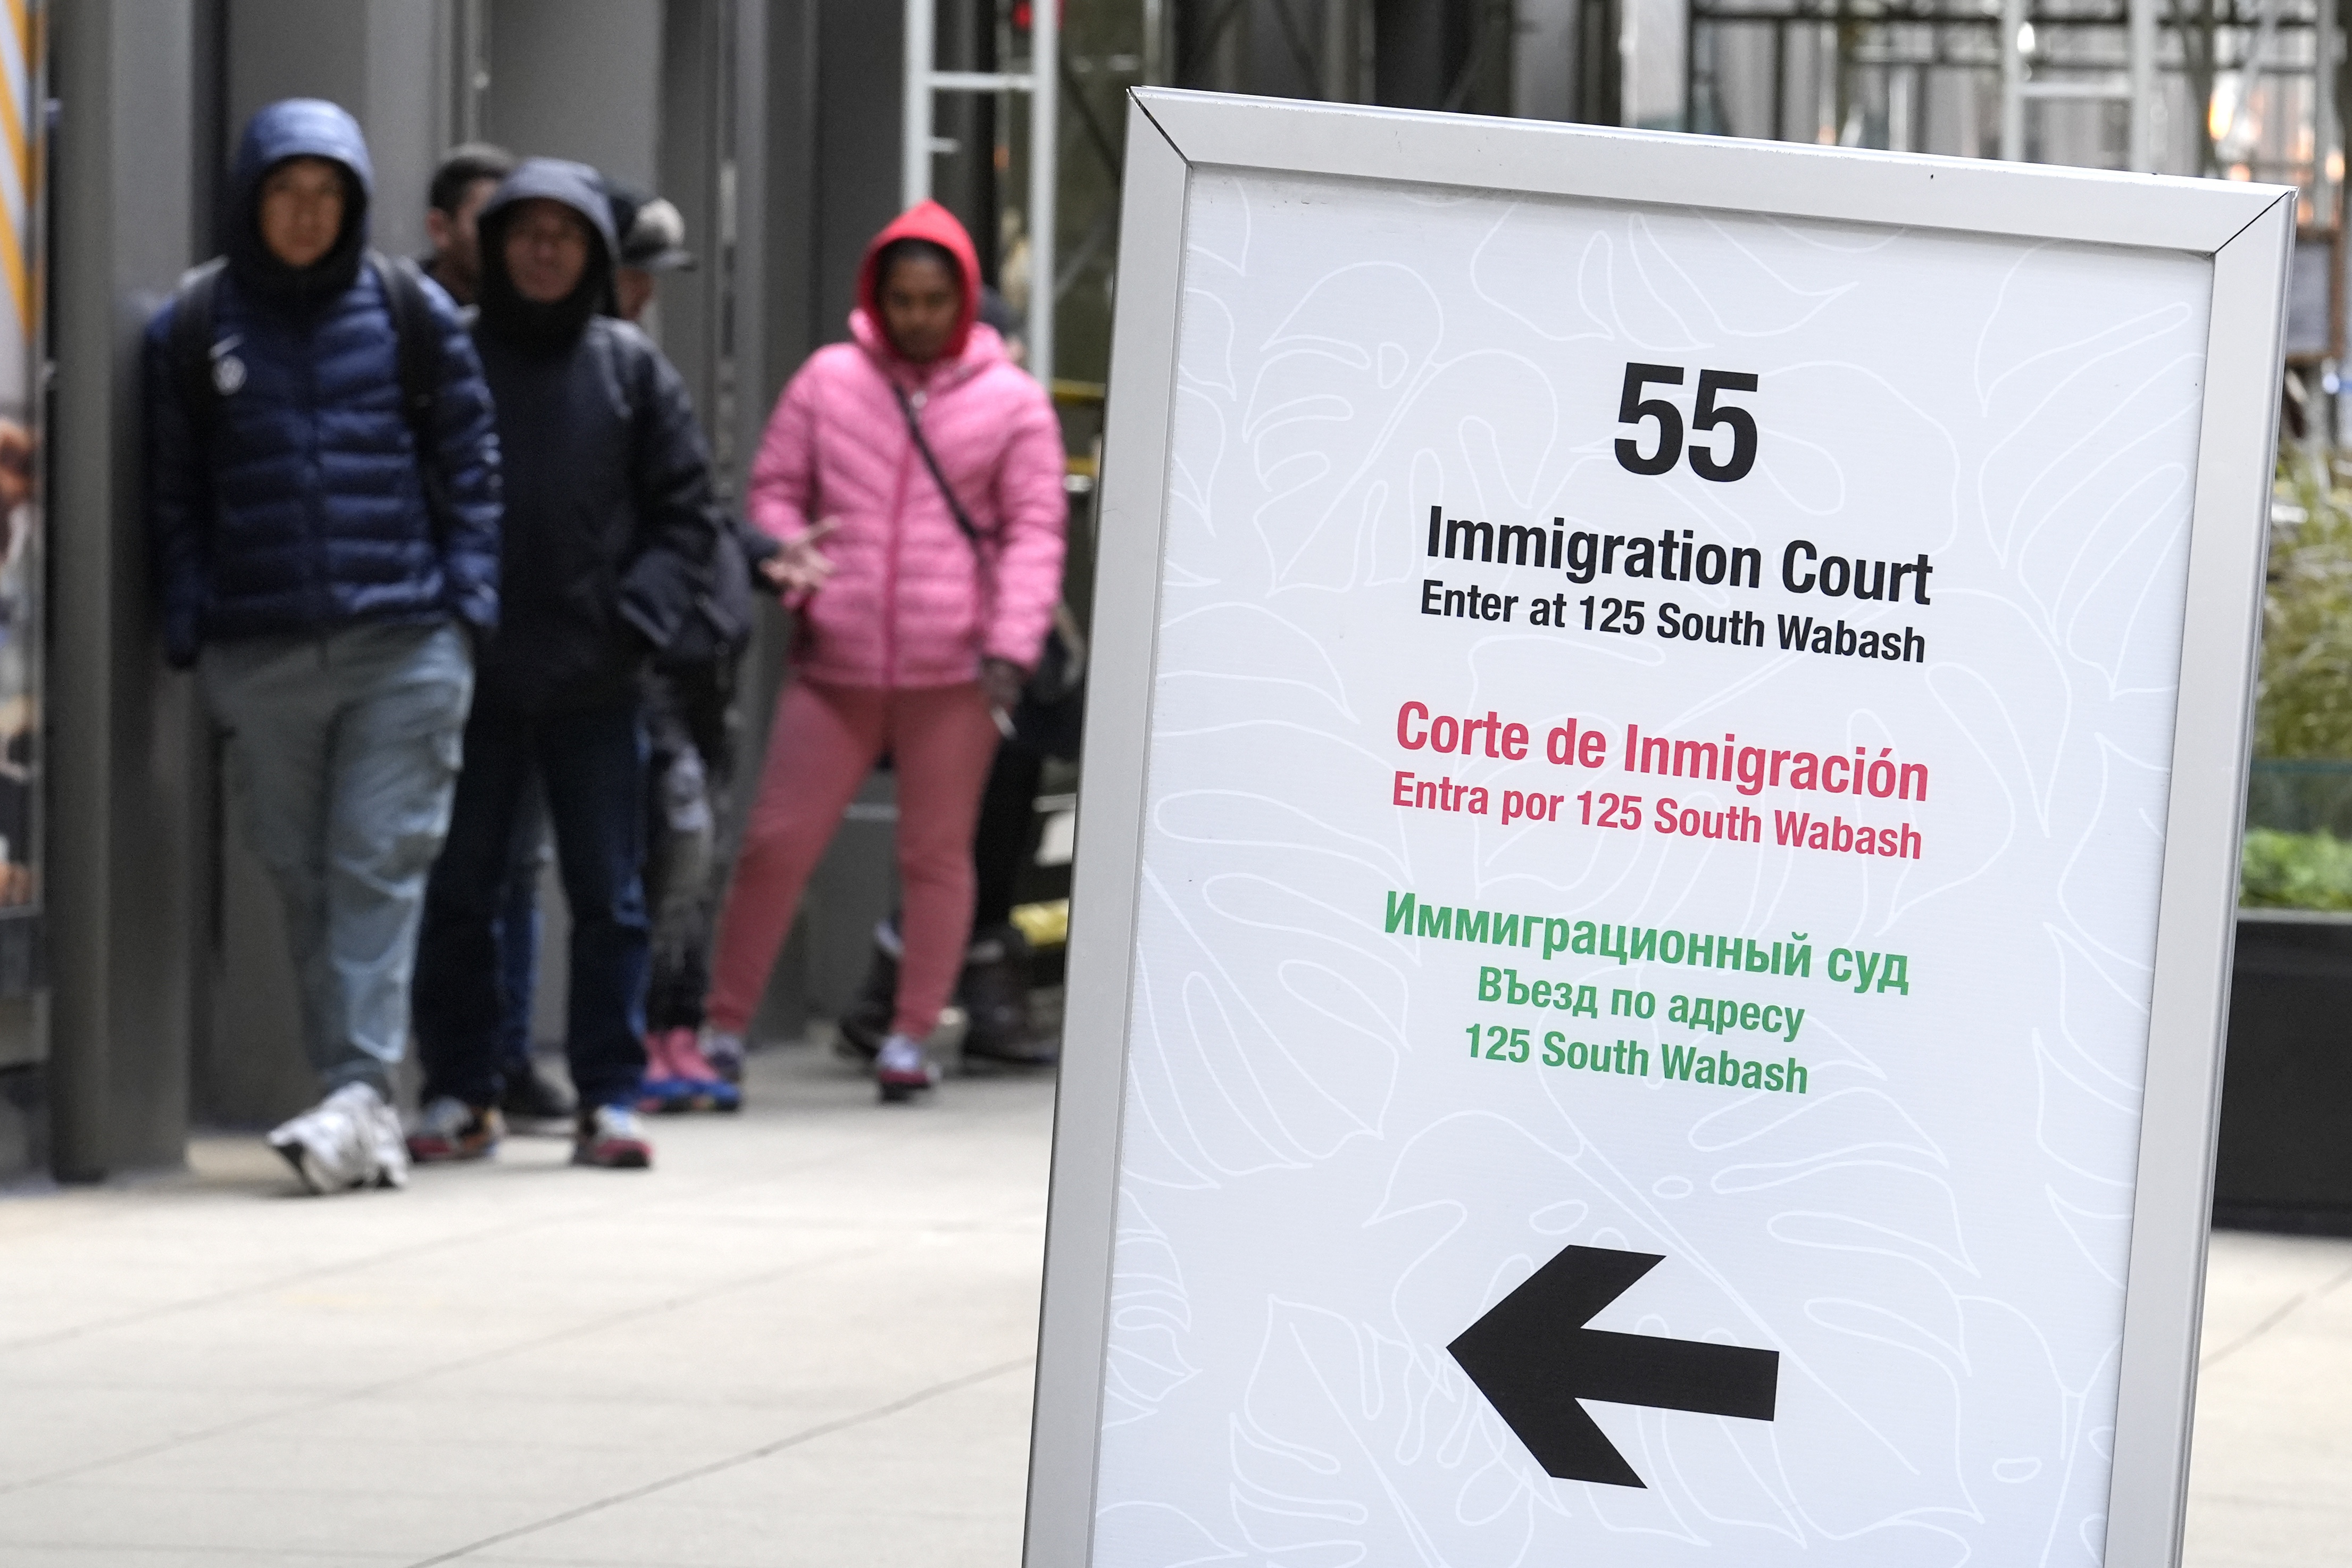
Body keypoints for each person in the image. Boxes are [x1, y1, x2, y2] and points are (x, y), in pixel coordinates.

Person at [144, 99, 501, 1194]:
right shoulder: (197, 322)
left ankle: (355, 1092)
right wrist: (190, 612)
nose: (306, 215)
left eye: (327, 195)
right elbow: (173, 489)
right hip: (262, 649)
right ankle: (360, 1102)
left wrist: (467, 602)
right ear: (253, 198)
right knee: (302, 874)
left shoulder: (407, 310)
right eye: (287, 193)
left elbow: (472, 456)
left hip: (404, 641)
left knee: (375, 863)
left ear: (353, 205)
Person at [702, 200, 1067, 1102]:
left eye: (933, 299)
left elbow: (1034, 530)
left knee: (937, 854)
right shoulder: (831, 380)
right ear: (877, 294)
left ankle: (909, 1035)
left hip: (954, 666)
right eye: (901, 298)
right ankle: (722, 1025)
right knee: (775, 843)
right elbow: (774, 487)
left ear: (964, 299)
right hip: (838, 657)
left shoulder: (1011, 401)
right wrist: (797, 561)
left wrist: (1010, 644)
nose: (915, 316)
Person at [407, 158, 722, 1170]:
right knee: (461, 892)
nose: (544, 252)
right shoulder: (448, 355)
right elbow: (408, 488)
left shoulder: (631, 370)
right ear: (495, 248)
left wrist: (635, 620)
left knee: (610, 897)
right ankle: (463, 1088)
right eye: (525, 234)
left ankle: (610, 1095)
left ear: (592, 252)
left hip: (597, 677)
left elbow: (688, 515)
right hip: (476, 674)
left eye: (566, 236)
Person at [422, 142, 577, 1126]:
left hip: (548, 648)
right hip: (449, 637)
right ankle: (459, 1068)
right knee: (459, 869)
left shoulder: (578, 345)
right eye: (495, 221)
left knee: (519, 865)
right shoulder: (419, 330)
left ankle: (506, 1057)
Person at [421, 143, 514, 309]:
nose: (501, 237)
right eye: (487, 222)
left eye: (512, 224)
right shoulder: (398, 314)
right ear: (439, 229)